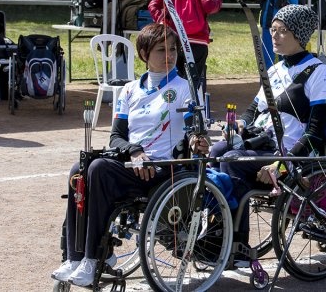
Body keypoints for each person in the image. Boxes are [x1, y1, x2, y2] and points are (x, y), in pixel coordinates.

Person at [51, 23, 209, 286]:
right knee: (78, 172)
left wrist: (197, 139)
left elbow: (194, 127)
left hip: (162, 169)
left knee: (98, 169)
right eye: (161, 50)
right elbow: (116, 136)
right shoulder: (129, 90)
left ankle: (93, 259)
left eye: (173, 49)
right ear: (144, 54)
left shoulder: (185, 88)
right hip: (134, 163)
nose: (169, 55)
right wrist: (134, 151)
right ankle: (74, 257)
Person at [209, 4, 326, 264]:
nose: (274, 36)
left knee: (232, 158)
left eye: (282, 31)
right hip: (262, 143)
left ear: (299, 35)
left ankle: (238, 245)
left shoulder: (320, 73)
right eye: (272, 30)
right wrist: (240, 125)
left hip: (289, 156)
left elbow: (314, 133)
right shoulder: (275, 70)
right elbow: (252, 111)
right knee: (215, 151)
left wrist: (282, 163)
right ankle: (218, 229)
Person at [149, 0, 222, 86]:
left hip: (174, 42)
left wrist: (164, 22)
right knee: (192, 84)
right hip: (197, 42)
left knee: (171, 81)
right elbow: (209, 6)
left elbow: (152, 5)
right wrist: (217, 0)